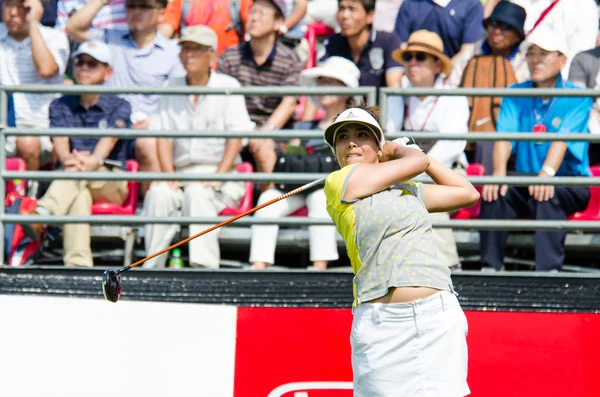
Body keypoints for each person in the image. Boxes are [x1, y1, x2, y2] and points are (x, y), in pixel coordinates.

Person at [323, 104, 479, 395]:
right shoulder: (338, 183)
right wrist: (401, 151)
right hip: (381, 322)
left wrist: (418, 158)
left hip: (437, 315)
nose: (352, 142)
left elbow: (468, 193)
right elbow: (417, 162)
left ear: (378, 146)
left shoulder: (408, 190)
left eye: (362, 135)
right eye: (342, 137)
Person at [480, 27, 592, 271]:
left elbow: (563, 139)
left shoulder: (579, 95)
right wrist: (498, 173)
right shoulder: (515, 92)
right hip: (527, 179)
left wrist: (547, 175)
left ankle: (547, 274)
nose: (536, 59)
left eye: (544, 53)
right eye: (531, 53)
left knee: (548, 193)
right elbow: (504, 137)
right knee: (494, 191)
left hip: (568, 181)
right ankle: (489, 270)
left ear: (562, 59)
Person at [142, 26, 251, 269]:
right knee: (158, 192)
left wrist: (217, 177)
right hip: (180, 172)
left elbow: (236, 138)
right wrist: (168, 175)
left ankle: (204, 269)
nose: (188, 54)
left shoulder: (228, 85)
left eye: (196, 49)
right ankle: (152, 267)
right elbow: (163, 137)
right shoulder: (171, 87)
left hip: (219, 173)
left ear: (211, 55)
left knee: (197, 193)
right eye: (185, 48)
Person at [20, 40, 130, 267]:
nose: (84, 68)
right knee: (79, 194)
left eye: (93, 64)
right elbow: (61, 150)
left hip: (110, 180)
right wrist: (76, 161)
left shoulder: (120, 105)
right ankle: (78, 267)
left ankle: (44, 212)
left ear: (107, 72)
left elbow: (105, 147)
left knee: (75, 177)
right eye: (80, 62)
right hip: (74, 177)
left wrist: (87, 162)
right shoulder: (59, 105)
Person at [66, 0, 186, 195]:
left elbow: (179, 100)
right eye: (131, 6)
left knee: (148, 142)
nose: (136, 12)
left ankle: (153, 208)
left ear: (161, 11)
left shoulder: (173, 52)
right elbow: (73, 27)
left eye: (144, 6)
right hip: (109, 126)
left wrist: (154, 122)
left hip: (151, 130)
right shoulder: (109, 39)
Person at [248, 56, 357, 270]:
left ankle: (319, 266)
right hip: (299, 187)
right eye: (322, 82)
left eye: (331, 82)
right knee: (267, 202)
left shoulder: (351, 128)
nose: (324, 87)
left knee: (319, 199)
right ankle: (258, 266)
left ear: (345, 89)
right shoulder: (305, 126)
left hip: (331, 190)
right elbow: (290, 157)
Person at [392, 29, 469, 270]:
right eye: (408, 57)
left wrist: (413, 170)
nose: (413, 63)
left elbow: (453, 146)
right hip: (404, 173)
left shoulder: (453, 97)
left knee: (424, 196)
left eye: (420, 57)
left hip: (447, 173)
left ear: (438, 65)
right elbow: (390, 139)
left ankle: (449, 268)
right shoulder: (396, 96)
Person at [217, 0, 303, 190]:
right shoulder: (228, 58)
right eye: (252, 12)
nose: (254, 18)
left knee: (264, 146)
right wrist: (245, 131)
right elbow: (221, 103)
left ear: (278, 22)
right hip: (236, 127)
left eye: (262, 13)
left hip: (274, 130)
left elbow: (289, 103)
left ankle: (266, 208)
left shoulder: (290, 59)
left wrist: (265, 132)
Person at [0, 0, 69, 173]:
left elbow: (46, 69)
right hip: (4, 127)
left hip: (42, 130)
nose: (13, 13)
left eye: (22, 7)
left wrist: (33, 25)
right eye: (8, 5)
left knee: (27, 142)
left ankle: (28, 197)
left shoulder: (54, 37)